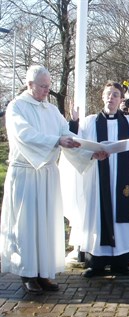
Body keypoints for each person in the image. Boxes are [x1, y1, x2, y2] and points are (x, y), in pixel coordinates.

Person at [0, 65, 82, 294]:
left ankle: (44, 272)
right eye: (43, 86)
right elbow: (24, 134)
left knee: (46, 224)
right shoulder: (17, 106)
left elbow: (66, 132)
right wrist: (56, 141)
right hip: (27, 173)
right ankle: (28, 273)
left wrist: (89, 149)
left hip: (46, 173)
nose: (47, 90)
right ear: (30, 84)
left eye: (49, 86)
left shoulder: (50, 109)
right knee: (27, 224)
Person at [63, 81, 129, 278]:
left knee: (120, 216)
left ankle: (120, 263)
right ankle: (96, 263)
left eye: (115, 94)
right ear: (102, 97)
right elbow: (74, 144)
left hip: (123, 181)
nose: (111, 98)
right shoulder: (88, 123)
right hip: (97, 179)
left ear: (121, 99)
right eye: (108, 94)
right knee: (97, 215)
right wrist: (73, 123)